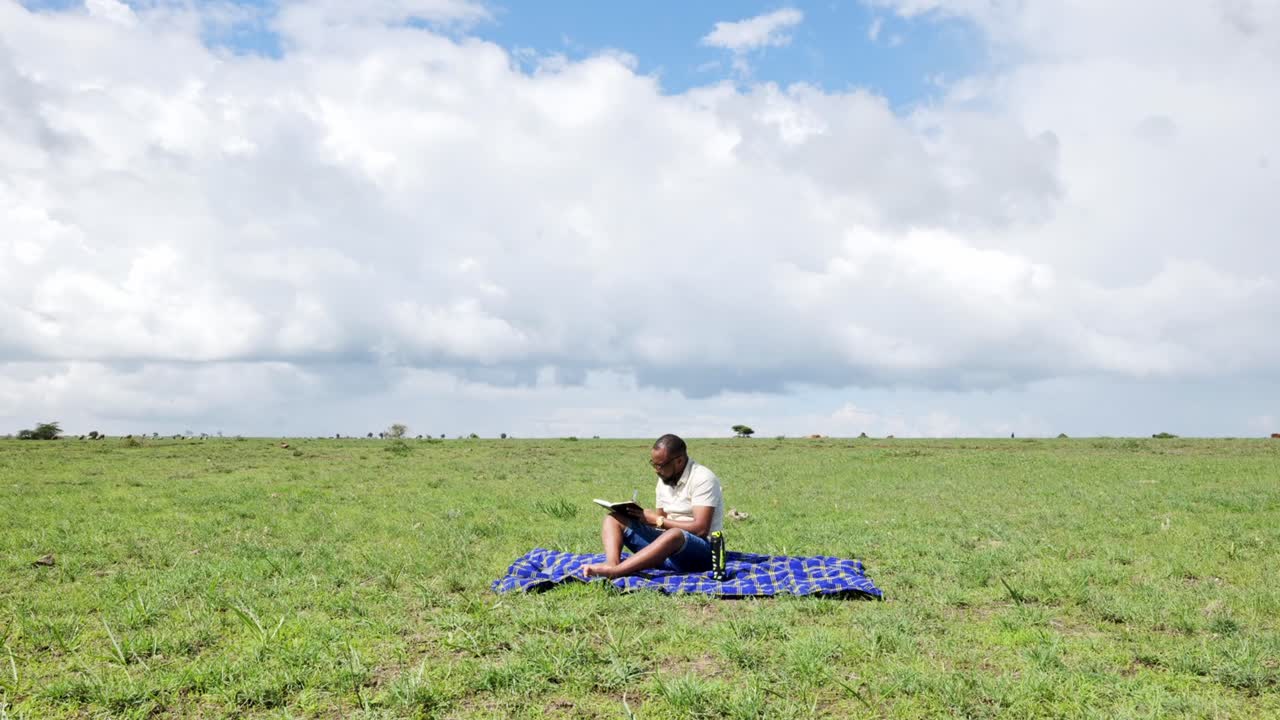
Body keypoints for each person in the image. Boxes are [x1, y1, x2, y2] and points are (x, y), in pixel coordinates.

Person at [581, 433, 724, 579]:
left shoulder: (703, 478)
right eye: (653, 464)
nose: (656, 470)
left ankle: (616, 572)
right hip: (668, 549)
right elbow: (661, 522)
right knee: (614, 519)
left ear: (679, 461)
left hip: (702, 553)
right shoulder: (664, 479)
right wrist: (639, 516)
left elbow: (701, 529)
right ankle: (612, 563)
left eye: (660, 465)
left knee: (674, 533)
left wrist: (657, 520)